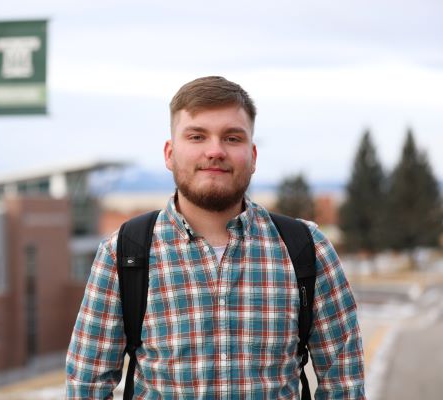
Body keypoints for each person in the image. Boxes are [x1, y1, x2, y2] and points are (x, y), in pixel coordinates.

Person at [66, 76, 365, 399]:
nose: (215, 151)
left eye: (232, 138)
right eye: (196, 136)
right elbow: (87, 386)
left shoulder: (307, 248)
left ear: (252, 155)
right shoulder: (123, 253)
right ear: (169, 153)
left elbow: (344, 384)